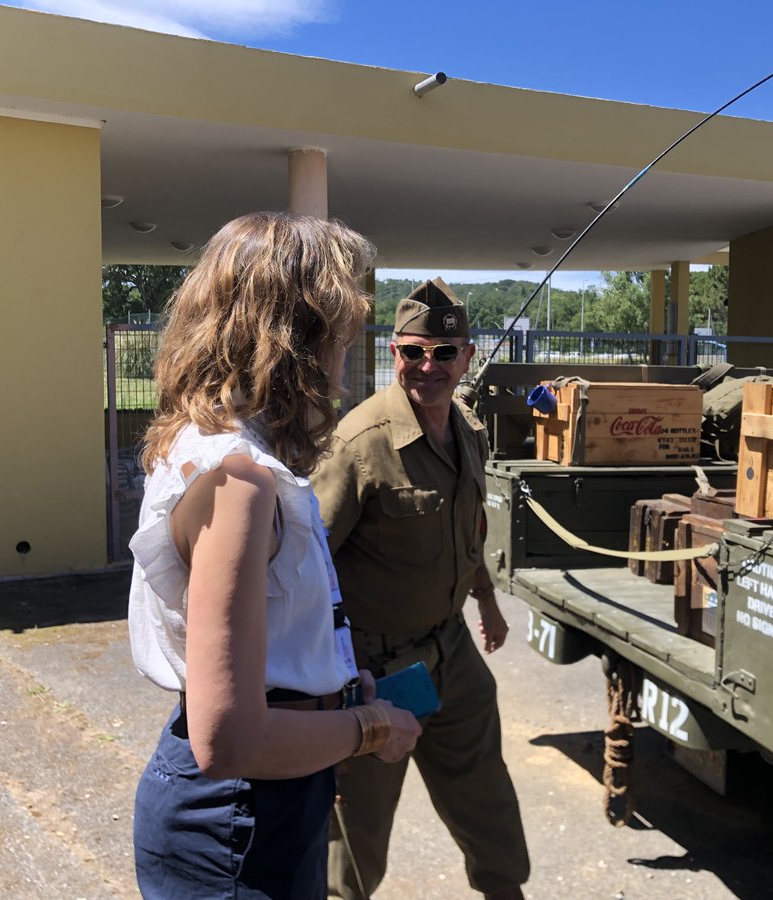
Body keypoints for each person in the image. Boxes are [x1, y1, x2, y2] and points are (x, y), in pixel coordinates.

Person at [126, 212, 422, 900]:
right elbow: (227, 740)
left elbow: (266, 656)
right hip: (238, 819)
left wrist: (333, 701)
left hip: (258, 802)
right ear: (300, 340)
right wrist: (368, 727)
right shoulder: (241, 482)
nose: (347, 362)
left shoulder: (215, 450)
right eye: (344, 334)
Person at [314, 278, 530, 900]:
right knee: (356, 837)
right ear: (394, 355)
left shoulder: (466, 429)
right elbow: (307, 573)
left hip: (451, 649)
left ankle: (504, 891)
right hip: (377, 668)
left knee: (485, 797)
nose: (427, 366)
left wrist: (487, 600)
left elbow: (471, 530)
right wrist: (337, 675)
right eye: (413, 352)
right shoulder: (359, 444)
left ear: (467, 356)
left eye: (443, 352)